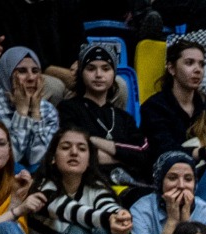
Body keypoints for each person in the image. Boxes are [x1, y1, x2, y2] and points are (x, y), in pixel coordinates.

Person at [139, 41, 206, 232]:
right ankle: (190, 233)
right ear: (171, 68)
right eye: (189, 63)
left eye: (201, 64)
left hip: (204, 177)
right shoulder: (154, 106)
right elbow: (164, 152)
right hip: (168, 177)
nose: (197, 70)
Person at [56, 44, 152, 191]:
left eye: (106, 68)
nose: (98, 74)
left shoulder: (123, 117)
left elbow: (144, 153)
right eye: (91, 68)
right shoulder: (68, 108)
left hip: (129, 188)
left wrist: (94, 140)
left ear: (114, 75)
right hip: (86, 186)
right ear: (81, 73)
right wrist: (125, 158)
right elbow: (74, 153)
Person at [0, 48, 58, 171]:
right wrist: (21, 113)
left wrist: (36, 113)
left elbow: (37, 159)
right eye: (22, 71)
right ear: (7, 74)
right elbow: (9, 158)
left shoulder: (47, 110)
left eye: (35, 71)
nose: (31, 78)